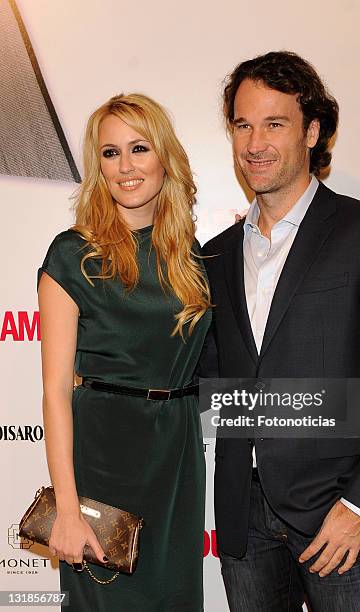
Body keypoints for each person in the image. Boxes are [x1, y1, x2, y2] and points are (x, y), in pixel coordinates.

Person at [199, 51, 360, 611]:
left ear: (311, 130)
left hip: (339, 518)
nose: (255, 142)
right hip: (244, 523)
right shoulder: (215, 255)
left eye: (274, 123)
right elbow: (216, 384)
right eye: (243, 124)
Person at [38, 93, 211, 611]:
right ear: (98, 168)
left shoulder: (192, 256)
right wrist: (67, 508)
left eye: (139, 148)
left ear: (164, 157)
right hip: (105, 457)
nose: (126, 166)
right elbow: (54, 391)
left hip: (177, 454)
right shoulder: (72, 255)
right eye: (110, 153)